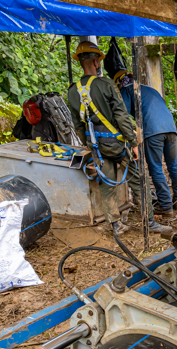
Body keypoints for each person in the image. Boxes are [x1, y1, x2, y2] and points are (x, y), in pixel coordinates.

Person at [67, 42, 170, 237]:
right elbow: (122, 116)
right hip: (117, 144)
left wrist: (88, 145)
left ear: (81, 62)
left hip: (97, 147)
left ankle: (116, 226)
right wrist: (133, 142)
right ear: (96, 61)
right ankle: (149, 222)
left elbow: (78, 126)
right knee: (139, 181)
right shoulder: (106, 85)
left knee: (107, 184)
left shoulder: (73, 91)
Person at [113, 70, 177, 214]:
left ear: (119, 84)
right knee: (173, 166)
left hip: (153, 131)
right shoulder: (149, 90)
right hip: (170, 128)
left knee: (156, 168)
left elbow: (123, 115)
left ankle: (165, 205)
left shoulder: (126, 90)